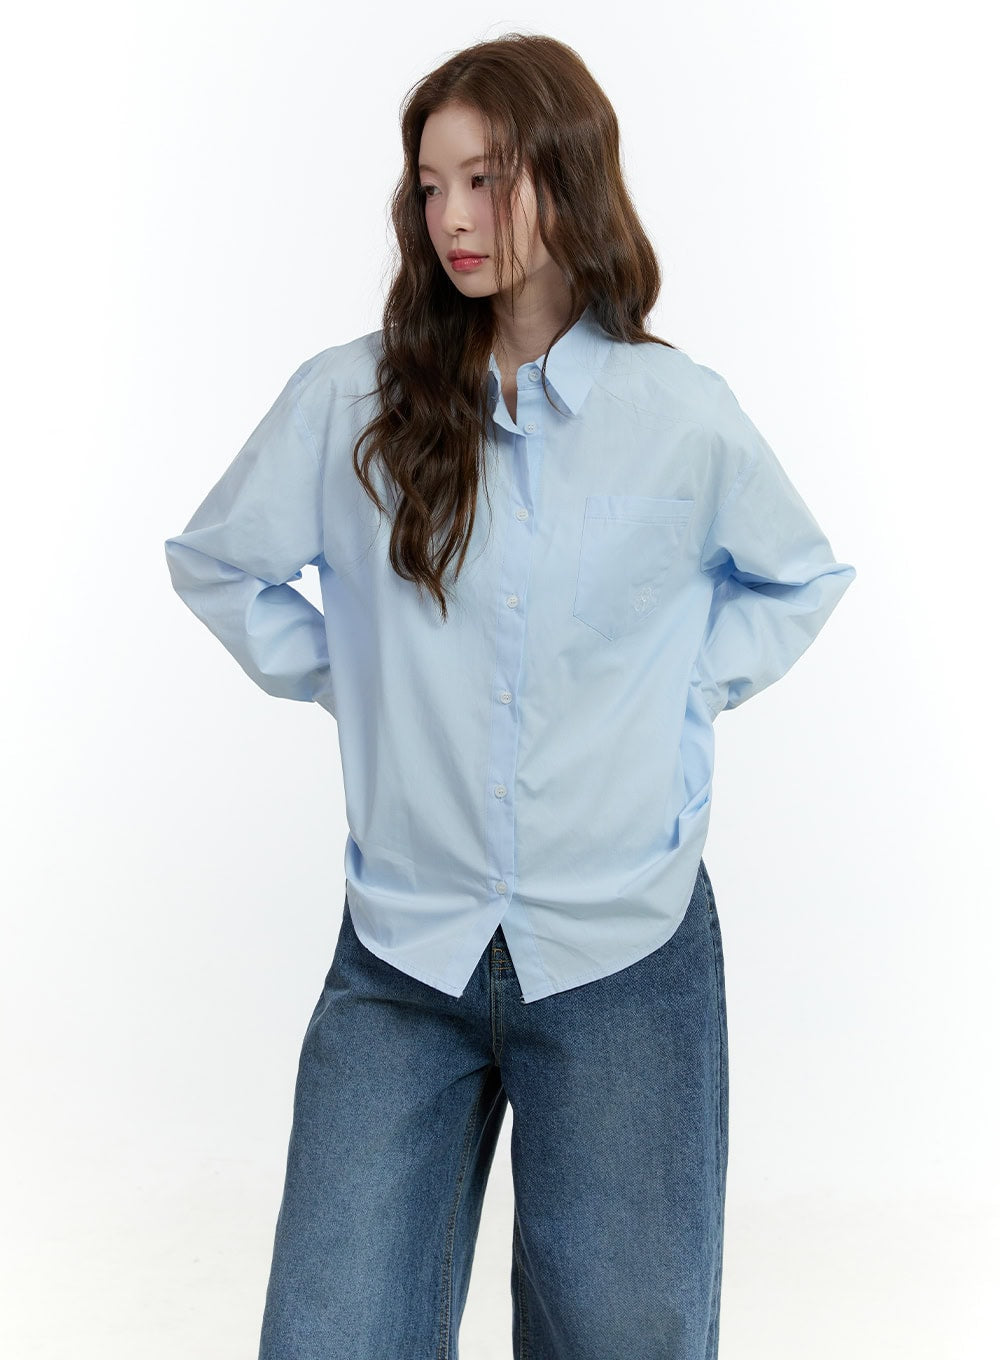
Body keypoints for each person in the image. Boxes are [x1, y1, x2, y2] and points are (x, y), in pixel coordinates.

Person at [164, 31, 856, 1360]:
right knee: (329, 1335)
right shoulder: (348, 401)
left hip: (621, 948)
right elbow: (218, 564)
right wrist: (356, 681)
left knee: (626, 1338)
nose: (452, 218)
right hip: (404, 947)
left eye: (486, 178)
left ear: (569, 173)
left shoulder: (680, 415)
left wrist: (684, 690)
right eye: (431, 186)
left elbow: (798, 580)